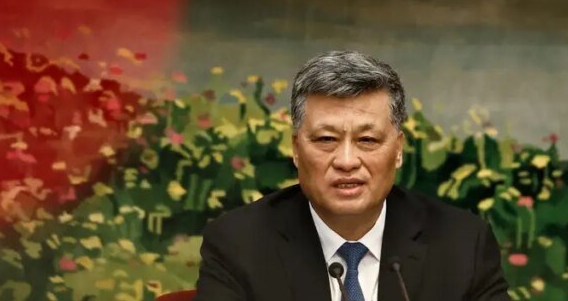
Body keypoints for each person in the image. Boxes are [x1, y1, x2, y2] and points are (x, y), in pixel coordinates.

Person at [194, 51, 510, 301]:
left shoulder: (462, 244)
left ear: (398, 150)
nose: (346, 162)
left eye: (367, 140)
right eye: (326, 139)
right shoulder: (239, 244)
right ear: (296, 149)